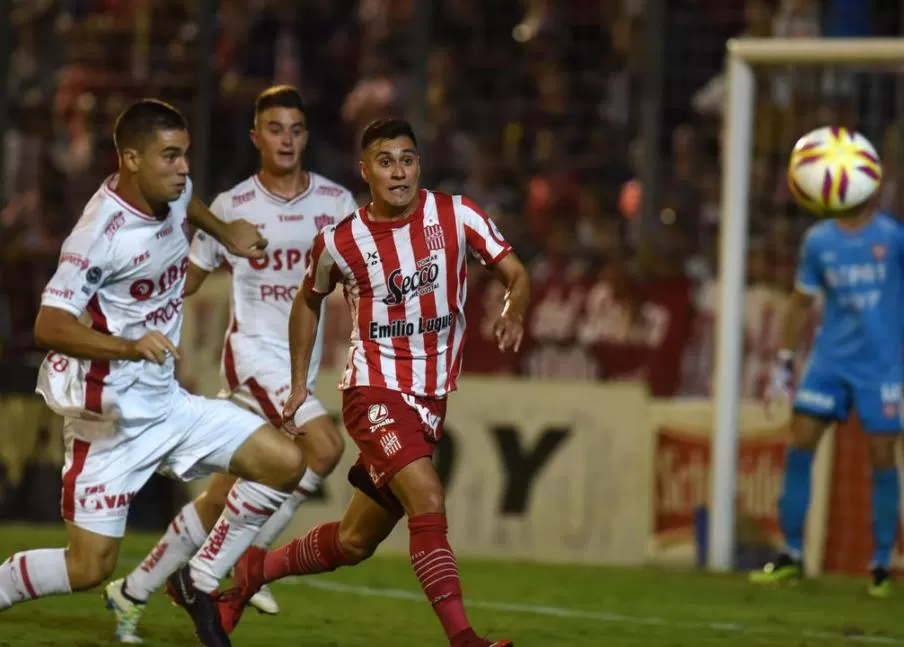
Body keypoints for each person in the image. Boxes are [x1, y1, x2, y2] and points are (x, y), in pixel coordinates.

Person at [0, 99, 307, 647]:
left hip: (167, 403)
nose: (184, 167)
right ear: (131, 158)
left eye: (185, 154)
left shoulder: (173, 189)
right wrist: (126, 345)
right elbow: (48, 324)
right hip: (108, 419)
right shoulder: (100, 232)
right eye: (171, 156)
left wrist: (224, 231)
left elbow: (191, 203)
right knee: (87, 567)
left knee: (284, 462)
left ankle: (200, 576)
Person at [216, 118, 529, 647]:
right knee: (427, 495)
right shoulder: (342, 241)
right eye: (386, 161)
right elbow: (307, 301)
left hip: (430, 400)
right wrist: (298, 383)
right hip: (373, 390)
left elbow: (516, 274)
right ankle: (465, 641)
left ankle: (253, 574)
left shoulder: (457, 215)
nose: (399, 171)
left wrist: (513, 309)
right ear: (366, 172)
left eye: (408, 159)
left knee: (354, 541)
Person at [101, 86, 357, 644]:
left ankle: (136, 588)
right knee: (324, 447)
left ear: (306, 138)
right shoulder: (232, 206)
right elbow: (187, 281)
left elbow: (362, 278)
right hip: (252, 362)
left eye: (295, 128)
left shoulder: (336, 204)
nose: (286, 139)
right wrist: (131, 321)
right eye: (274, 128)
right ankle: (241, 566)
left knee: (224, 495)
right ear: (255, 137)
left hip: (296, 369)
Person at [751, 198, 904, 597]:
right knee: (800, 442)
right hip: (829, 363)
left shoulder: (896, 237)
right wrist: (785, 362)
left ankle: (881, 565)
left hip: (880, 368)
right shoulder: (818, 241)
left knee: (881, 457)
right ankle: (791, 554)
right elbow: (800, 302)